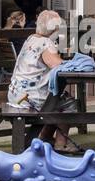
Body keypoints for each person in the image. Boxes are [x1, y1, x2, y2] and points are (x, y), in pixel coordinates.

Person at [6, 9, 81, 153]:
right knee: (69, 103)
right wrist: (70, 62)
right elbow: (55, 64)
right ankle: (61, 143)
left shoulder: (31, 38)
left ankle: (45, 137)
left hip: (15, 94)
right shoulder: (46, 43)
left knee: (55, 100)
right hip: (31, 97)